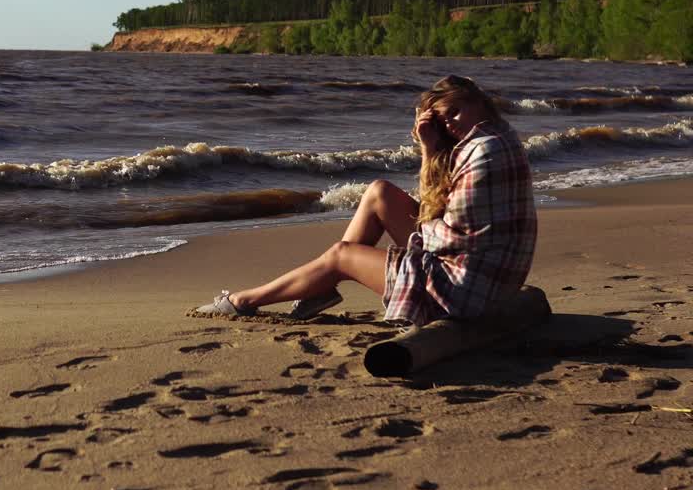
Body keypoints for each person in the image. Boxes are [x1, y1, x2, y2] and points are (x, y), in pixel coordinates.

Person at [196, 74, 537, 325]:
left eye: (455, 112)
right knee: (379, 192)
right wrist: (432, 150)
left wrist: (429, 150)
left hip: (466, 293)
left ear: (480, 101)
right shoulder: (498, 137)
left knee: (342, 255)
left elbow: (444, 239)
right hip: (487, 276)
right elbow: (444, 226)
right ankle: (319, 288)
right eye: (443, 120)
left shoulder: (482, 153)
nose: (450, 124)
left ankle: (245, 300)